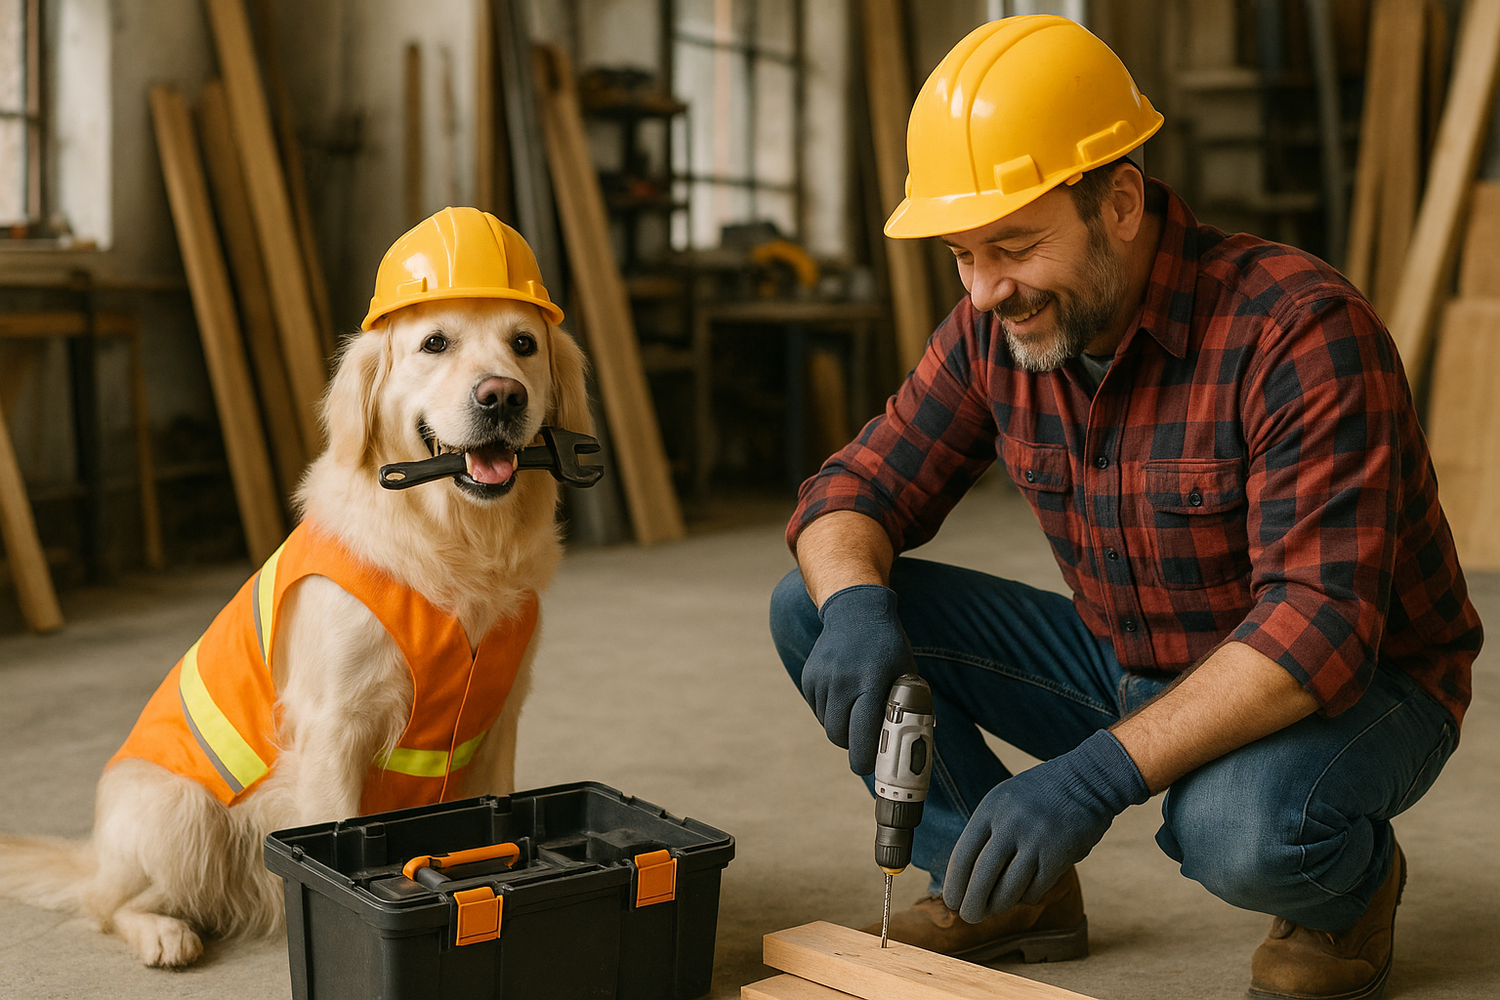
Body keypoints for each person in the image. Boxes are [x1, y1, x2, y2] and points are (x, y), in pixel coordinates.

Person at [768, 15, 1481, 1000]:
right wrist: (851, 603)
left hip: (1359, 683)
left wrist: (1095, 775)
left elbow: (1315, 631)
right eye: (961, 255)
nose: (983, 292)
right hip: (1135, 659)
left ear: (1122, 201)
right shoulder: (998, 324)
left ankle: (1348, 892)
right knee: (812, 603)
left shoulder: (1299, 333)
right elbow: (855, 486)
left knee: (1240, 830)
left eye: (1012, 245)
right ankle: (1005, 887)